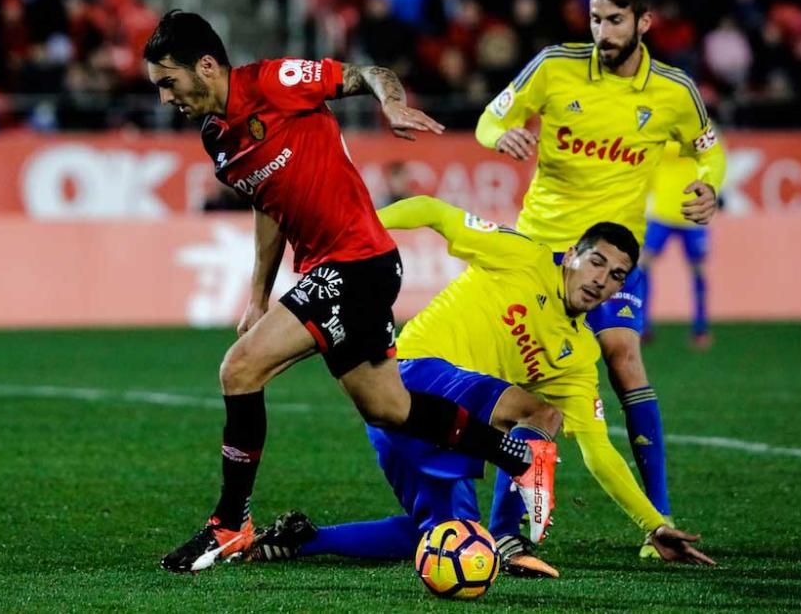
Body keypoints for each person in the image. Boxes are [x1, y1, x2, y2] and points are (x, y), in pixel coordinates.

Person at [144, 11, 557, 574]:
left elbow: (369, 72)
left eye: (168, 81)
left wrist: (389, 102)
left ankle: (229, 524)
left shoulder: (272, 83)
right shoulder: (217, 137)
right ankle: (516, 453)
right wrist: (258, 295)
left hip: (357, 260)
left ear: (207, 66)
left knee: (239, 370)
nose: (164, 97)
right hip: (338, 268)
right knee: (388, 407)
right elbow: (269, 205)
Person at [248, 197, 715, 575]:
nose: (600, 279)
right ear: (572, 254)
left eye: (616, 276)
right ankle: (510, 536)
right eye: (596, 262)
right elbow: (433, 211)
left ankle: (304, 540)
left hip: (434, 426)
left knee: (451, 540)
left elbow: (599, 451)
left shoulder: (579, 357)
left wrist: (652, 525)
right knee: (540, 414)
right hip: (405, 376)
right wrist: (357, 238)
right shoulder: (521, 255)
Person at [474, 0, 727, 558]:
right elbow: (493, 116)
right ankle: (503, 529)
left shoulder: (674, 90)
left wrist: (708, 187)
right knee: (536, 386)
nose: (602, 31)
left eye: (614, 20)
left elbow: (708, 152)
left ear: (644, 22)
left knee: (625, 359)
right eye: (595, 19)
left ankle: (658, 522)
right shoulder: (555, 65)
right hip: (541, 252)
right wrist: (499, 137)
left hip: (614, 258)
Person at [642, 142, 713, 348]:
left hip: (693, 214)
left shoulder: (699, 128)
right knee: (643, 264)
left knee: (698, 268)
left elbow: (714, 160)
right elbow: (647, 164)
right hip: (662, 211)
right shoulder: (659, 128)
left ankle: (700, 327)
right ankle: (642, 325)